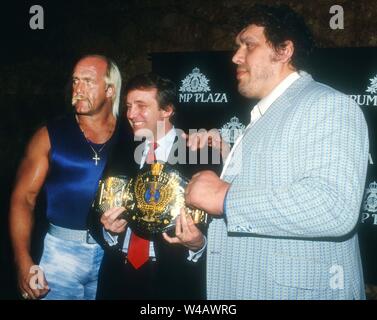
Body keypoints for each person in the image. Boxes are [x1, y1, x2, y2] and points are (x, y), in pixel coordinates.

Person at [185, 4, 369, 300]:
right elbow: (274, 183)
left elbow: (333, 206)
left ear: (284, 51)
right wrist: (227, 157)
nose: (236, 56)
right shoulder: (263, 116)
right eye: (237, 47)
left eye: (249, 45)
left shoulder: (327, 105)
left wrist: (224, 197)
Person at [90, 73, 221, 299]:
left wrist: (198, 245)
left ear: (166, 110)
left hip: (173, 280)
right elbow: (94, 212)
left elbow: (219, 227)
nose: (131, 114)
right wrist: (108, 231)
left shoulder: (201, 154)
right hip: (118, 276)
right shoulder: (121, 150)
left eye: (141, 106)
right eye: (129, 106)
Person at [9, 54, 123, 300]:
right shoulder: (49, 135)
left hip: (115, 254)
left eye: (88, 81)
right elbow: (23, 199)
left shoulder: (131, 135)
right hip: (60, 257)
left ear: (110, 90)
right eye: (75, 81)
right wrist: (22, 260)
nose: (78, 89)